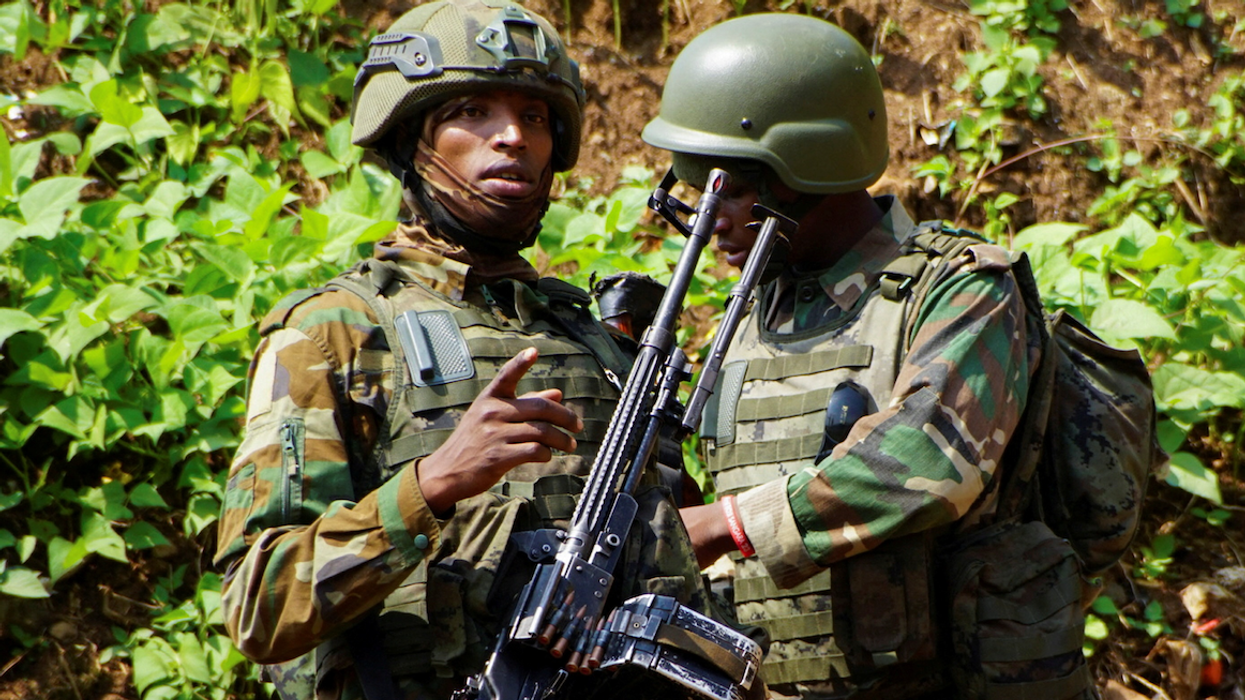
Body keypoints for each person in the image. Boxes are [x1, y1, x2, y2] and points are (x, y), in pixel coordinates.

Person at [214, 2, 715, 698]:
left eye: (535, 118)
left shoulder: (591, 340)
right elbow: (256, 607)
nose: (512, 137)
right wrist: (431, 488)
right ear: (408, 139)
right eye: (474, 110)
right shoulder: (336, 330)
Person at [642, 13, 1090, 700]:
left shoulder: (961, 286)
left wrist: (730, 524)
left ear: (809, 165)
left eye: (730, 187)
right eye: (694, 188)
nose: (713, 219)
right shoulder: (756, 313)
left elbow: (929, 460)